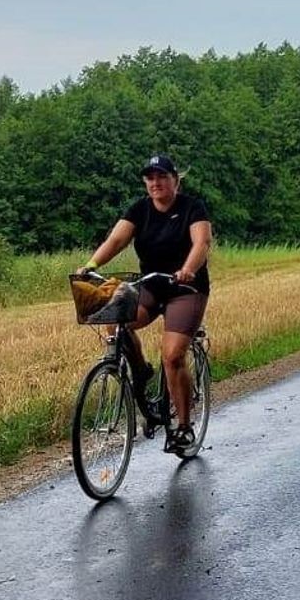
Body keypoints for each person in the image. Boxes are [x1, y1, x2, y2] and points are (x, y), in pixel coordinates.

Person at [78, 154, 212, 456]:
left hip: (185, 287)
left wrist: (189, 268)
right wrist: (91, 264)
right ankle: (140, 372)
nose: (156, 183)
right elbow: (115, 241)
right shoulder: (139, 210)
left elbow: (201, 243)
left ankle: (183, 428)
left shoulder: (192, 207)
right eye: (150, 178)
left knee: (173, 355)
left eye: (162, 177)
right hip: (151, 284)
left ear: (175, 180)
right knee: (114, 319)